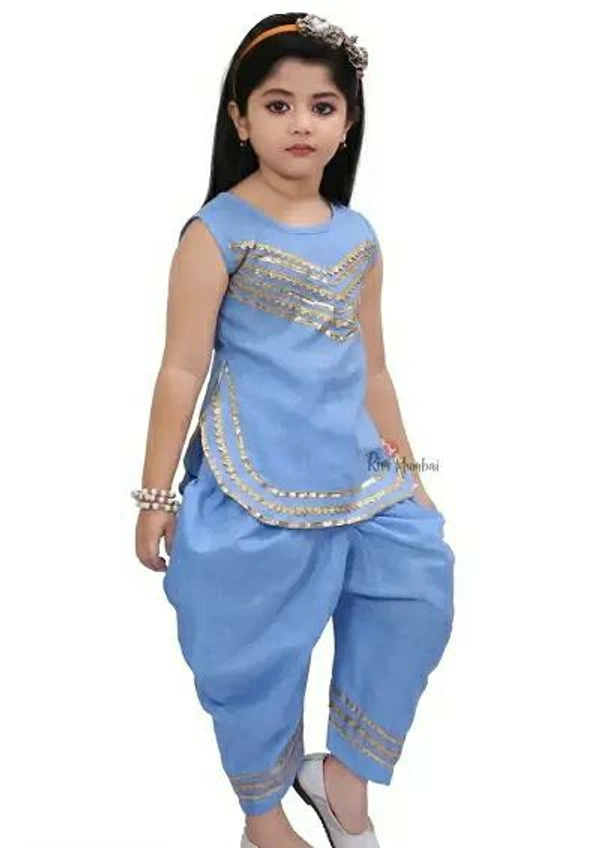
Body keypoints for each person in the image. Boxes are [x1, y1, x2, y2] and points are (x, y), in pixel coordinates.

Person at [133, 12, 455, 848]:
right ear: (240, 119)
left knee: (418, 591)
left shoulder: (359, 237)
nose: (301, 123)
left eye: (322, 105)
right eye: (278, 105)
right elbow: (181, 369)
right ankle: (263, 817)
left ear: (348, 123)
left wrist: (410, 470)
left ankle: (342, 777)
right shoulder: (216, 232)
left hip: (358, 470)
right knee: (248, 643)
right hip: (256, 476)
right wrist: (156, 495)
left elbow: (373, 369)